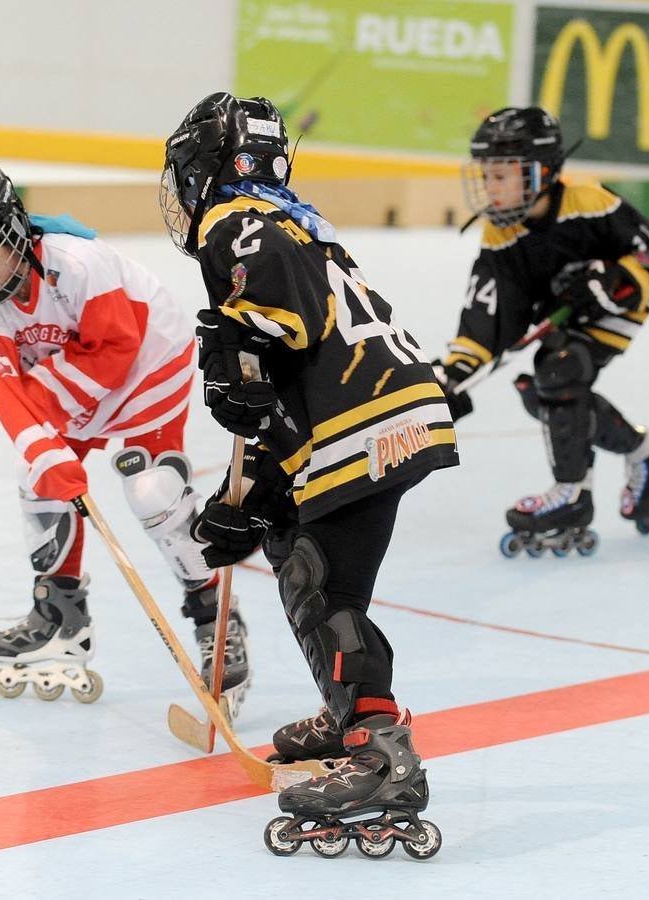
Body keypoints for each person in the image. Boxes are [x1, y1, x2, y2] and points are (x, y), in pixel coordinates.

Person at [161, 92, 457, 854]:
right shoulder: (293, 219)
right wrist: (250, 497)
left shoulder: (233, 223)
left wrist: (234, 351)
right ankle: (347, 705)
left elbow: (275, 331)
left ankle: (378, 750)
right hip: (387, 410)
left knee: (319, 584)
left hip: (363, 420)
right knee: (297, 546)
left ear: (206, 171)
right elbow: (286, 378)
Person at [0, 157, 249, 707]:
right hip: (77, 369)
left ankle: (215, 614)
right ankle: (59, 613)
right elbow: (5, 389)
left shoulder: (78, 264)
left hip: (147, 363)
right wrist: (44, 449)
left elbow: (116, 347)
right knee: (37, 474)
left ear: (13, 231)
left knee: (153, 491)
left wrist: (45, 415)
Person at [439, 106, 649, 556]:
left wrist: (613, 282)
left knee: (559, 370)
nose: (490, 188)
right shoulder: (501, 236)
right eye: (487, 176)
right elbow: (488, 318)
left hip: (615, 309)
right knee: (541, 394)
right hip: (561, 316)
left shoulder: (589, 201)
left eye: (503, 176)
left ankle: (571, 494)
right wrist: (452, 374)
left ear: (541, 173)